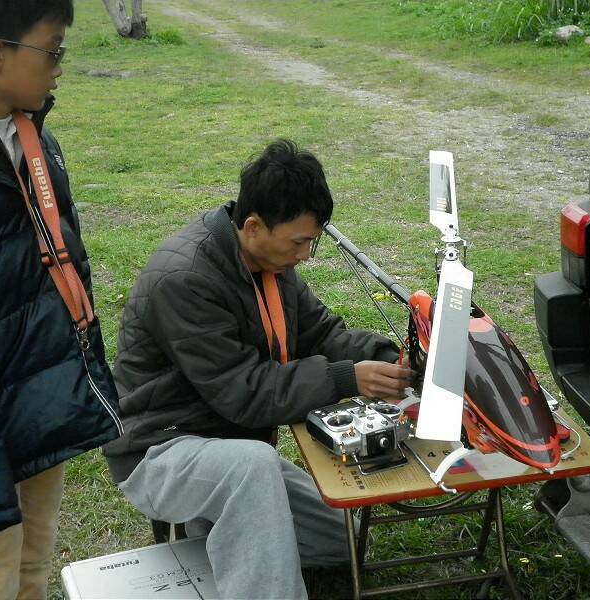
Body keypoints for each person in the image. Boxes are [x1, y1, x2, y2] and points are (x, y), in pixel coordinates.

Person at [103, 139, 413, 599]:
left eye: (312, 241)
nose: (306, 254)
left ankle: (212, 524)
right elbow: (244, 392)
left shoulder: (271, 262)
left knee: (340, 539)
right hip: (160, 449)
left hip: (230, 446)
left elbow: (321, 333)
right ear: (253, 226)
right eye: (300, 241)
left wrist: (391, 358)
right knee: (252, 467)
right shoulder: (185, 279)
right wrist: (346, 377)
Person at [0, 2, 122, 598]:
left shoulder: (36, 138)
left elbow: (66, 266)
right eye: (52, 49)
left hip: (40, 394)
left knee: (33, 562)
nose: (60, 66)